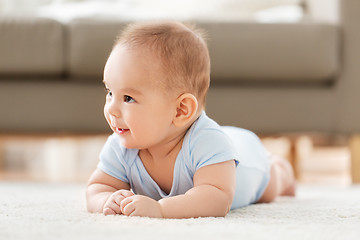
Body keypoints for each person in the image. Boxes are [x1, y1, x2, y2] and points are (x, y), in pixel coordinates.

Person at [86, 21, 295, 218]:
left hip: (249, 159)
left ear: (180, 110)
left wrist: (161, 209)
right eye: (110, 92)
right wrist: (106, 200)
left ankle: (280, 168)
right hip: (223, 141)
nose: (111, 109)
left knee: (270, 186)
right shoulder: (120, 146)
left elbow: (217, 198)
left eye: (128, 98)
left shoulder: (207, 142)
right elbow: (97, 187)